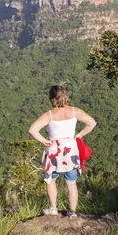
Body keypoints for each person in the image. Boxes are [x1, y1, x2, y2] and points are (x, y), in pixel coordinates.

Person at [28, 85, 97, 218]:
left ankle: (53, 208)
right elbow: (91, 123)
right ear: (65, 96)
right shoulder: (74, 111)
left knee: (51, 180)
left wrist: (43, 140)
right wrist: (80, 135)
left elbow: (32, 130)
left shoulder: (49, 115)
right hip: (70, 149)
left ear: (51, 99)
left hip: (54, 149)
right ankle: (72, 212)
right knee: (71, 183)